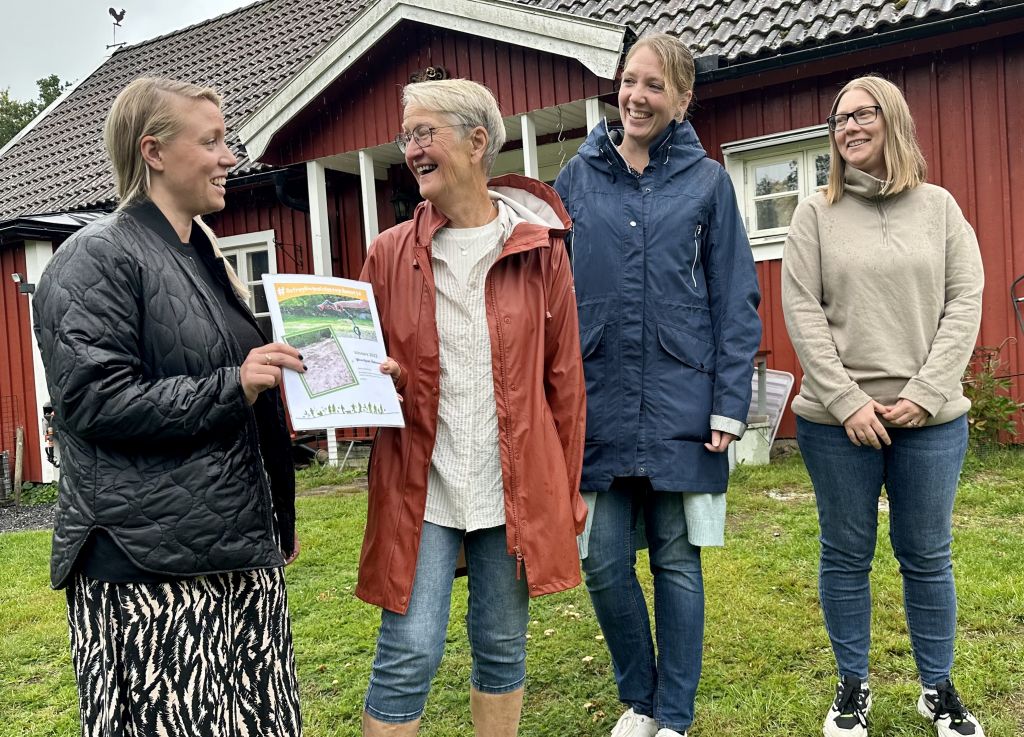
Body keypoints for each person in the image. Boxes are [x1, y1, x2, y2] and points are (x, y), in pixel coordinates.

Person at [32, 77, 304, 736]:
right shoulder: (96, 255)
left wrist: (337, 371)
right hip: (147, 571)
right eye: (210, 141)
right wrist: (230, 384)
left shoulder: (203, 258)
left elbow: (236, 381)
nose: (228, 156)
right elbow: (92, 398)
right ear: (154, 152)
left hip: (233, 555)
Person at [356, 78, 587, 737]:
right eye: (407, 137)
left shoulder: (540, 250)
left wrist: (565, 492)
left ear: (478, 141)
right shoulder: (389, 253)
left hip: (511, 486)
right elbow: (350, 372)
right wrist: (379, 380)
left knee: (501, 645)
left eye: (425, 133)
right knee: (409, 650)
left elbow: (565, 385)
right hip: (421, 488)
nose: (412, 149)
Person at [554, 33, 761, 737]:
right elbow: (549, 294)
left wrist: (730, 405)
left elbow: (736, 298)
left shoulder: (707, 183)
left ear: (681, 99)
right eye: (628, 81)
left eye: (653, 85)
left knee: (676, 558)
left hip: (683, 399)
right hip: (598, 398)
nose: (636, 96)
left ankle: (671, 714)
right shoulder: (576, 178)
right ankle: (639, 695)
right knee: (604, 561)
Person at [781, 75, 985, 737]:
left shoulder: (941, 209)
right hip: (839, 423)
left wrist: (926, 394)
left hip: (930, 420)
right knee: (846, 553)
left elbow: (965, 302)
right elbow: (802, 310)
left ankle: (937, 688)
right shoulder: (815, 213)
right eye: (839, 120)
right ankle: (852, 685)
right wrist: (845, 402)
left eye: (862, 115)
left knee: (927, 553)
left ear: (892, 120)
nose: (849, 128)